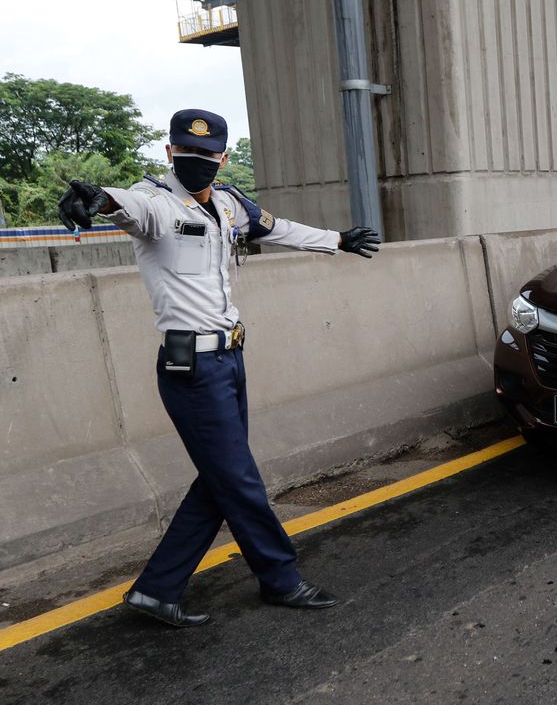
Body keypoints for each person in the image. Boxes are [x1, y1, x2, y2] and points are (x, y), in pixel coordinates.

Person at [57, 109, 381, 627]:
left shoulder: (230, 204)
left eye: (208, 154)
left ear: (222, 157)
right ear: (169, 153)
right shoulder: (157, 205)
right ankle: (280, 578)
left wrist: (337, 240)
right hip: (192, 369)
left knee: (221, 478)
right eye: (186, 152)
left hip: (230, 358)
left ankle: (157, 589)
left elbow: (280, 230)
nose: (198, 161)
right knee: (240, 479)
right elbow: (125, 205)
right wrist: (99, 199)